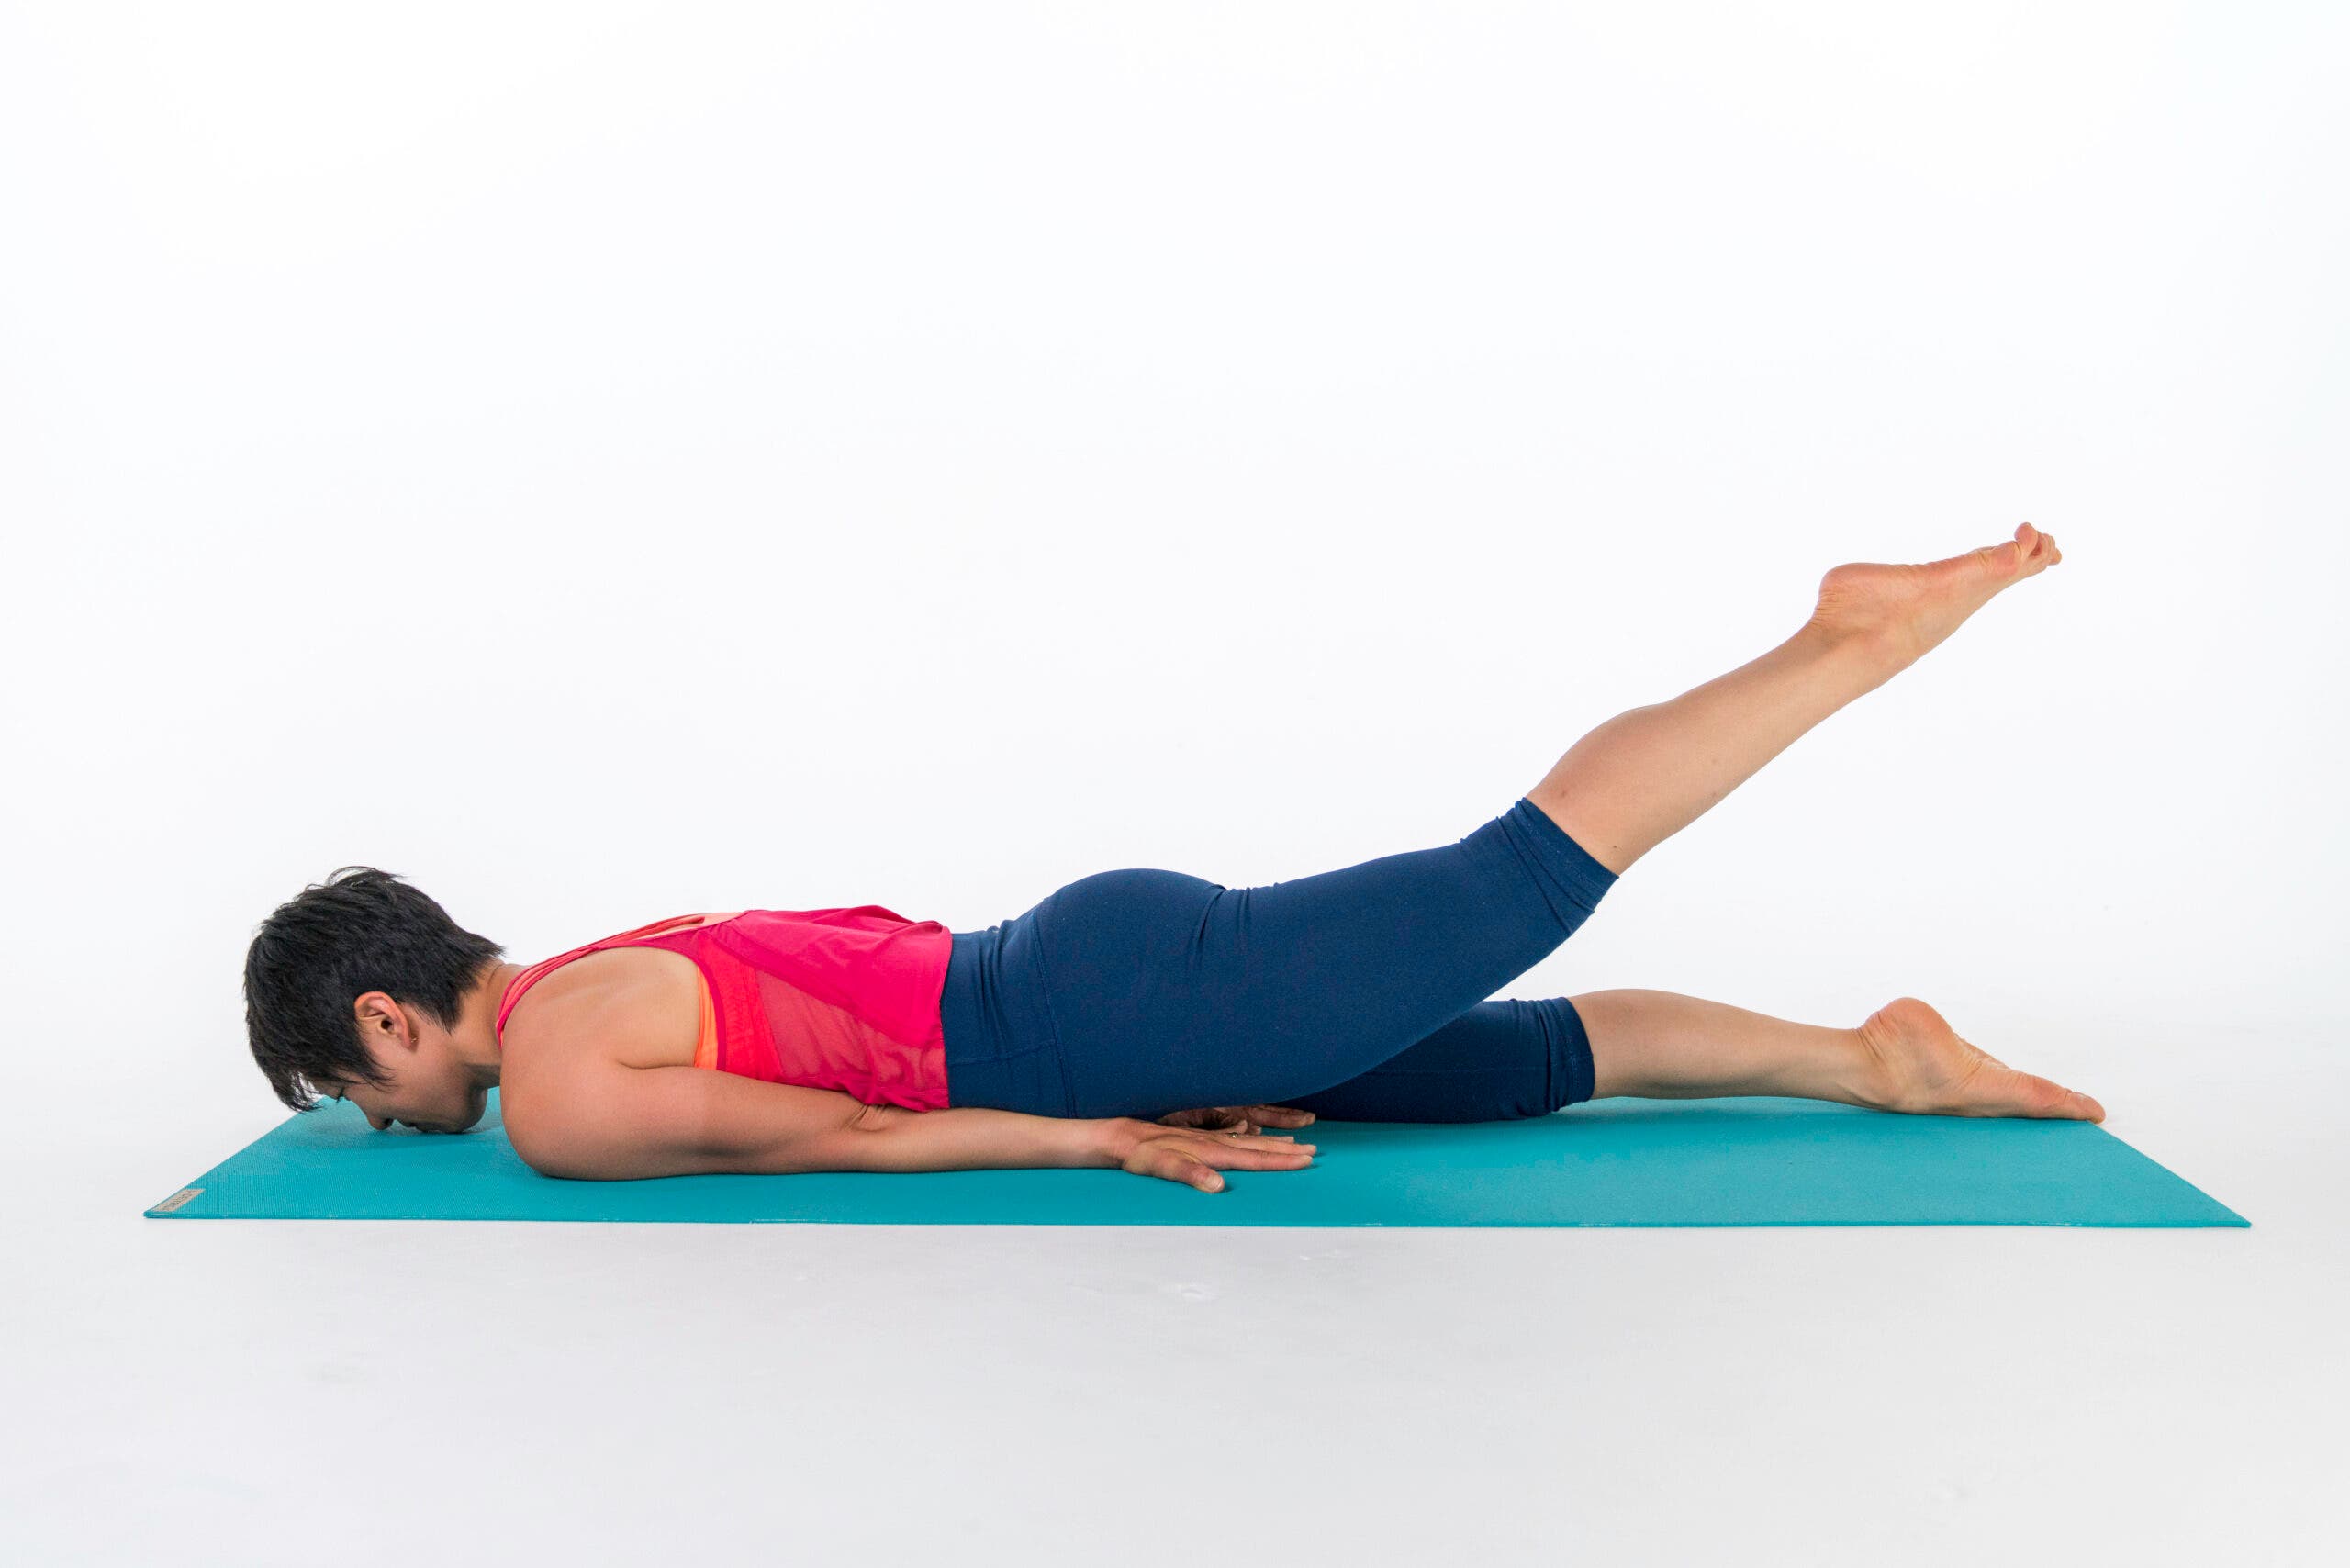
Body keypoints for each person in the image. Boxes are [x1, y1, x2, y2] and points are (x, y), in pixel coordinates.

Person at [243, 524, 2099, 1193]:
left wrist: (1095, 1128)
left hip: (1098, 1017)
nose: (373, 1106)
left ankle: (1836, 643)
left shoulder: (559, 1090)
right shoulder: (592, 963)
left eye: (348, 1075)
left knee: (1515, 876)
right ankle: (1873, 1058)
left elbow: (848, 1133)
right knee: (1505, 1057)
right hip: (1084, 969)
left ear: (393, 1013)